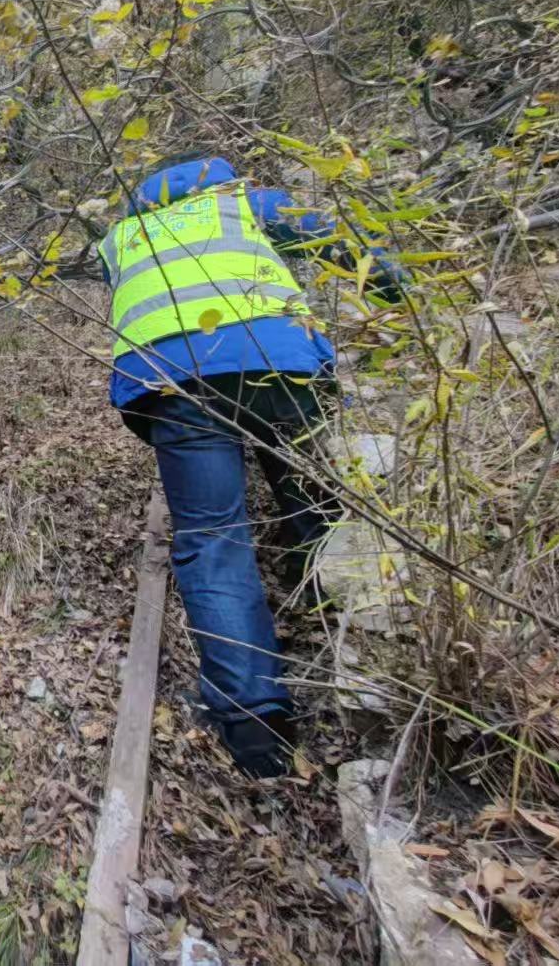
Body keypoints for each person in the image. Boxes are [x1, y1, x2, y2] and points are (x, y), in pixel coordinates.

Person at [98, 154, 397, 778]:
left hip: (173, 384)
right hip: (279, 361)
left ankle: (254, 727)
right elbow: (341, 246)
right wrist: (401, 295)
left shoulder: (121, 238)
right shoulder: (248, 205)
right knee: (308, 493)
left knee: (212, 538)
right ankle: (323, 596)